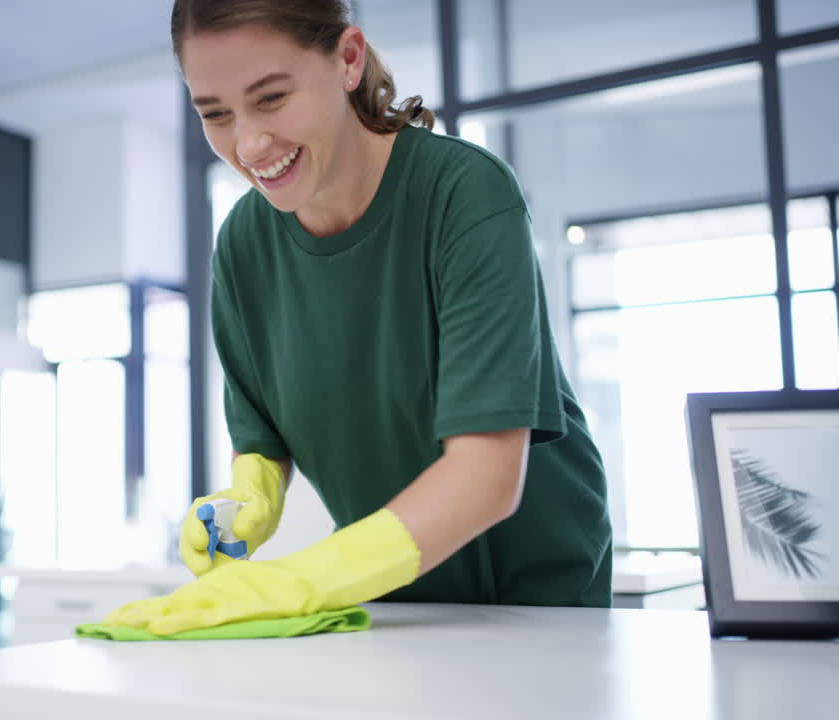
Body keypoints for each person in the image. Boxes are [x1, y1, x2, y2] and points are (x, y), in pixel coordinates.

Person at [106, 0, 612, 635]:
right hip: (390, 596)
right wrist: (249, 499)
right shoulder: (242, 245)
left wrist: (302, 580)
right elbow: (262, 439)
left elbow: (487, 476)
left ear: (347, 60)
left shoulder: (466, 193)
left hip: (534, 601)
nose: (249, 144)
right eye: (215, 114)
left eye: (271, 98)